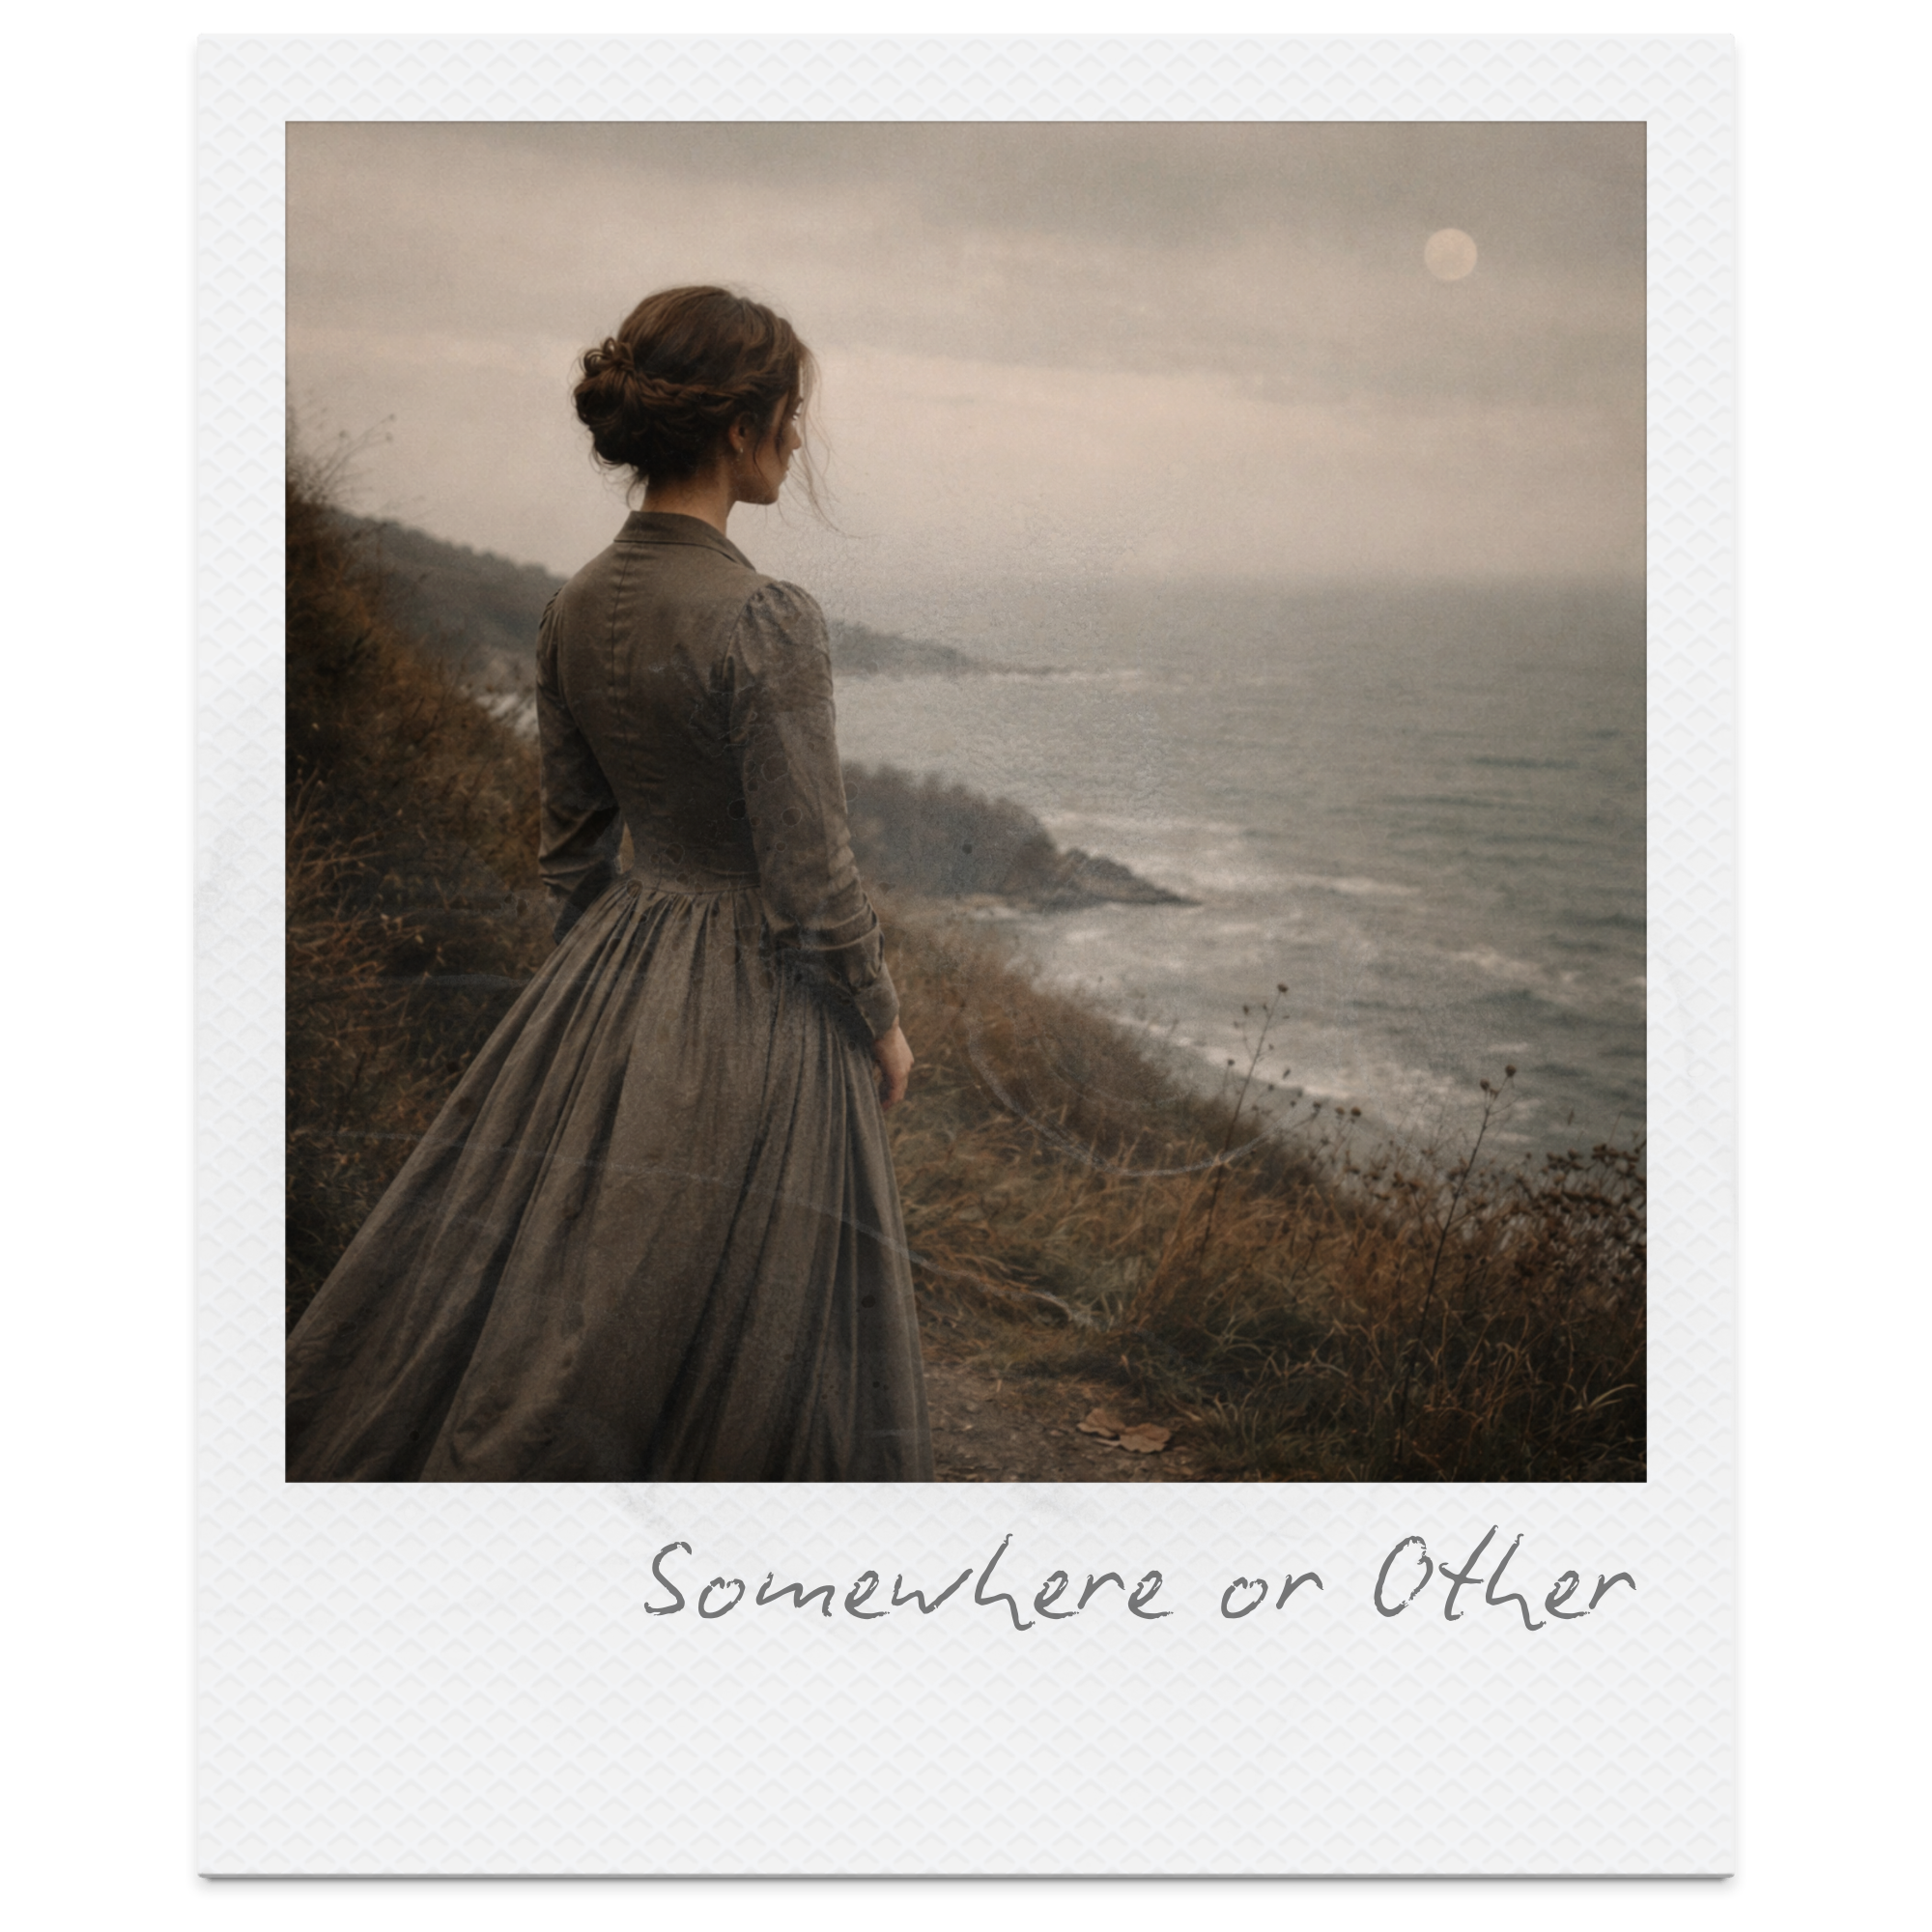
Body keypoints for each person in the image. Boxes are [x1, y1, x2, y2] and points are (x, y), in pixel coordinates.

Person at [286, 285, 933, 1482]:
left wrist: (597, 1014)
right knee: (758, 1331)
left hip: (613, 971)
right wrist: (881, 1023)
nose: (799, 436)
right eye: (789, 413)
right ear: (740, 429)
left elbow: (574, 850)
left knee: (569, 1298)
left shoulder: (570, 607)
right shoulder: (766, 618)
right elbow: (810, 877)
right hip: (762, 1000)